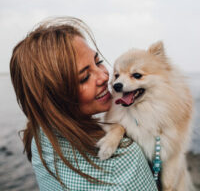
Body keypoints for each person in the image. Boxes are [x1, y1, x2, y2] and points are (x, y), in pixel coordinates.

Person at [10, 17, 158, 191]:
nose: (105, 77)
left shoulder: (39, 135)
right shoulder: (123, 159)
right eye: (84, 77)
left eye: (98, 62)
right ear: (54, 98)